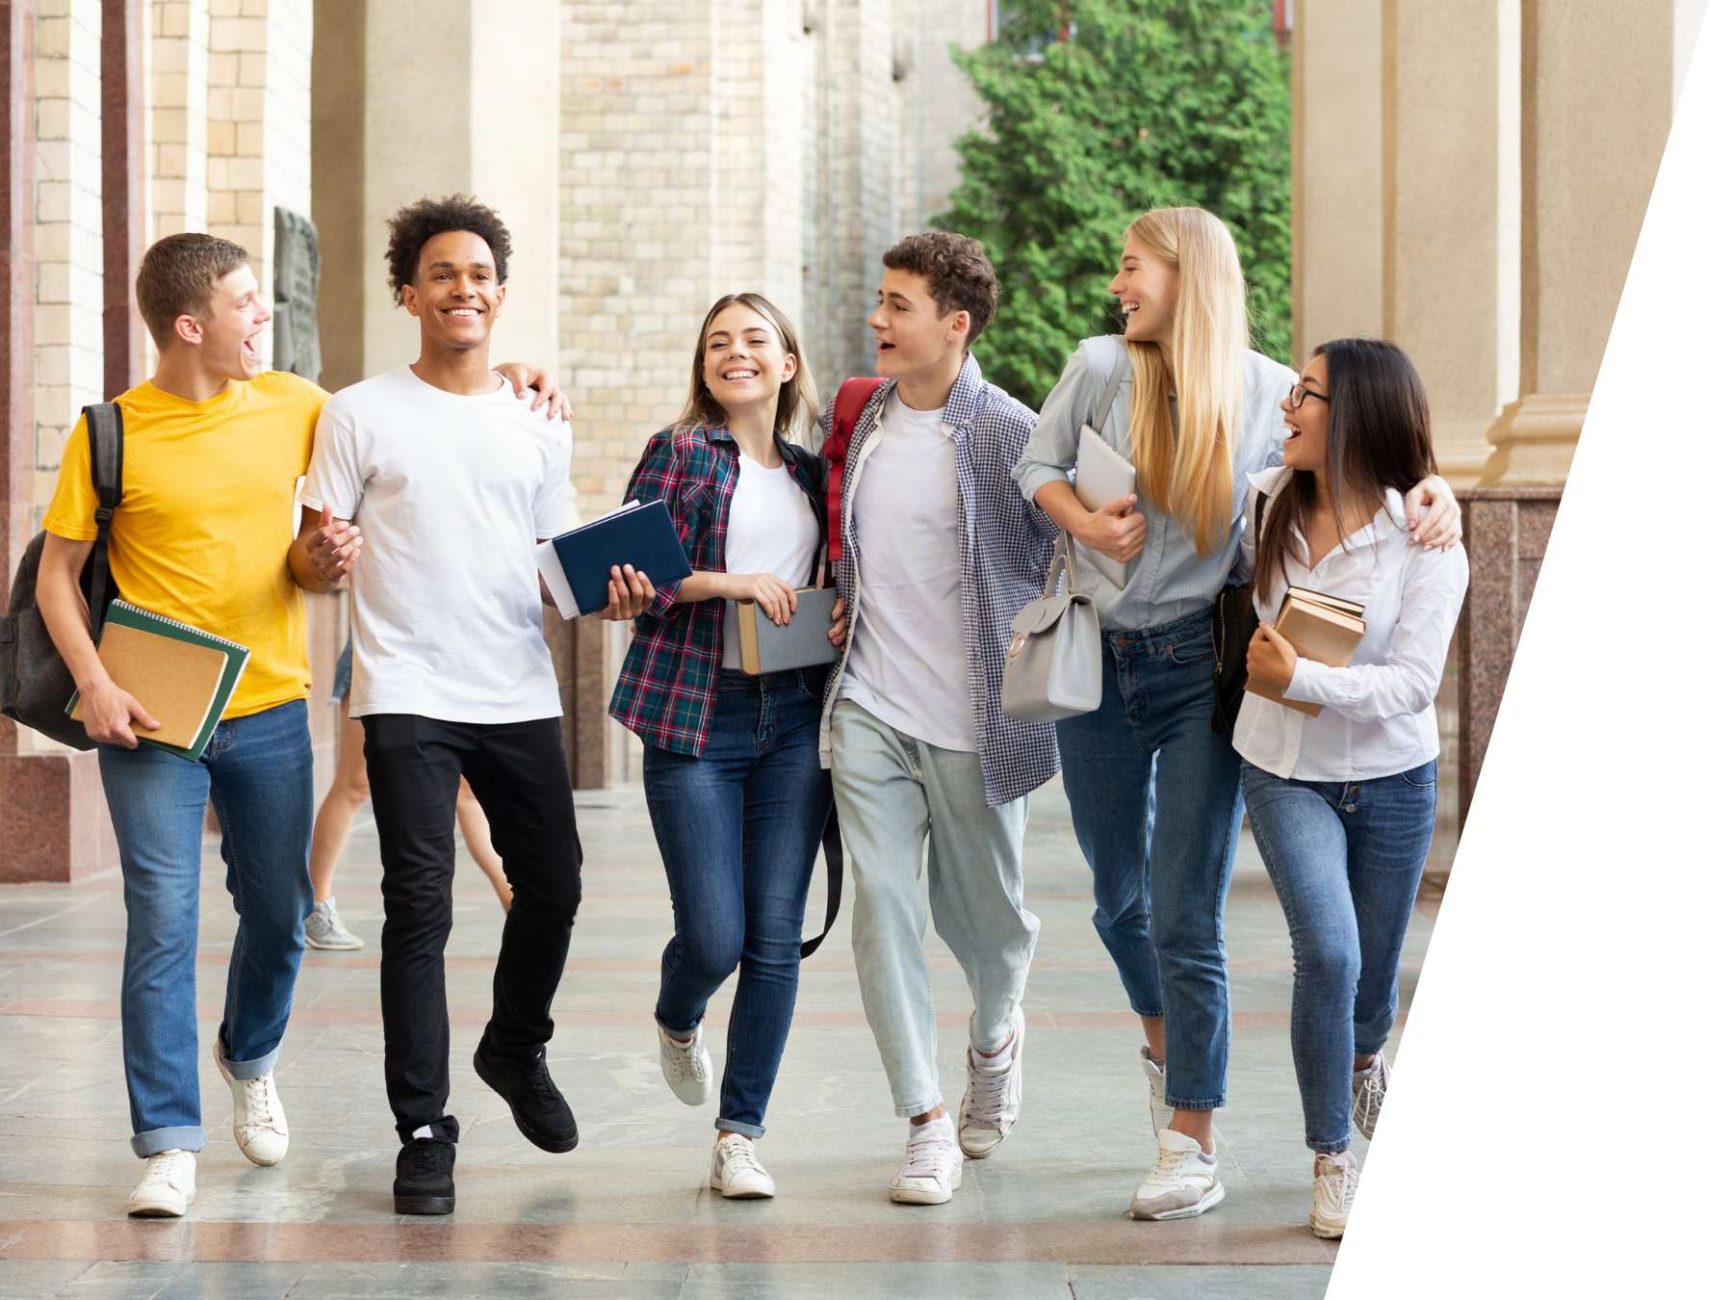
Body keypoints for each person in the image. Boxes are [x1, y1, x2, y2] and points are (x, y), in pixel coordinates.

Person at [33, 232, 566, 1220]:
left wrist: (515, 376)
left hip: (270, 706)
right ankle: (168, 1139)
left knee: (278, 914)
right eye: (246, 303)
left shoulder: (296, 406)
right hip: (150, 715)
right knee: (161, 916)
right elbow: (57, 575)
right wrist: (96, 684)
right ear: (192, 325)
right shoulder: (109, 431)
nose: (262, 318)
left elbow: (422, 417)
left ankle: (250, 1053)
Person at [1013, 206, 1460, 1222]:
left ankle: (1191, 1135)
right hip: (1094, 662)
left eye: (1132, 266)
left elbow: (1347, 463)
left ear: (1186, 275)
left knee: (1183, 907)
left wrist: (1430, 483)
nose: (1116, 283)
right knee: (1116, 897)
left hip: (1199, 673)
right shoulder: (1093, 367)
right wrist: (1084, 519)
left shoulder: (1267, 395)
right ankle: (1164, 1045)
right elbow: (1032, 465)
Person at [291, 194, 651, 1216]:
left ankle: (513, 1042)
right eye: (443, 274)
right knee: (419, 901)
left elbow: (554, 564)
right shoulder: (360, 410)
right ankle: (422, 1128)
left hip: (515, 688)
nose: (464, 289)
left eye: (480, 274)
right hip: (404, 687)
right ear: (410, 292)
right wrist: (319, 555)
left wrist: (608, 587)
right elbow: (315, 554)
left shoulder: (534, 415)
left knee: (556, 886)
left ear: (500, 294)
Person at [819, 232, 1058, 1205]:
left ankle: (994, 1032)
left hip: (974, 717)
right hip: (869, 706)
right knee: (881, 907)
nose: (877, 319)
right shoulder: (864, 414)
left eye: (897, 304)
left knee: (986, 921)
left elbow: (1076, 537)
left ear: (953, 325)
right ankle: (922, 1120)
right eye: (879, 301)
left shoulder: (1007, 429)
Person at [1234, 338, 1468, 1238]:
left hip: (1391, 778)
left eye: (1308, 394)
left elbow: (1412, 685)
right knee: (1327, 956)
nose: (1288, 406)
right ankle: (1332, 1154)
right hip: (1282, 768)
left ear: (1358, 414)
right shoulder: (1263, 503)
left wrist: (1304, 680)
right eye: (1292, 389)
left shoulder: (1423, 535)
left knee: (1371, 982)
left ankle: (1366, 1057)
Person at [610, 292, 832, 1200]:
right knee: (713, 934)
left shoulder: (819, 473)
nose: (733, 353)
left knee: (774, 941)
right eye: (716, 342)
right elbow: (629, 574)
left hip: (793, 717)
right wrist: (730, 582)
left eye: (754, 340)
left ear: (786, 363)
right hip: (696, 715)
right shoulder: (678, 450)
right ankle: (676, 1014)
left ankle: (740, 1133)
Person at [304, 633, 512, 952]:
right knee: (355, 785)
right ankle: (316, 904)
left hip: (456, 659)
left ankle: (510, 898)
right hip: (385, 653)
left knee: (467, 791)